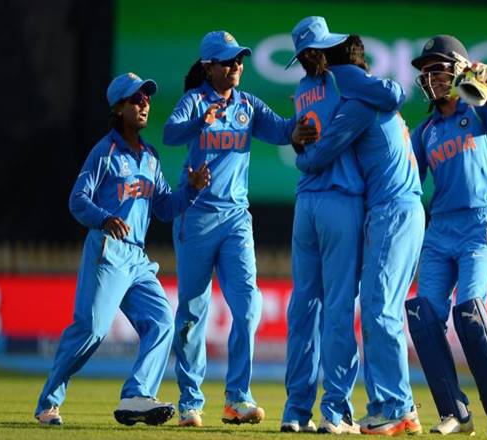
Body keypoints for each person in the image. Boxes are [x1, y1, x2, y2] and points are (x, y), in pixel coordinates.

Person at [34, 72, 210, 426]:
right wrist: (104, 219)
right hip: (108, 251)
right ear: (118, 107)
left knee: (162, 321)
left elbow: (164, 208)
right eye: (136, 99)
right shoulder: (105, 151)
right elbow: (77, 200)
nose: (144, 104)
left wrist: (191, 190)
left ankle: (136, 394)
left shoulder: (150, 156)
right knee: (92, 330)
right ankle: (48, 402)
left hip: (138, 259)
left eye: (147, 98)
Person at [163, 30, 311, 428]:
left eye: (239, 60)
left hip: (235, 220)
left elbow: (281, 131)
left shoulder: (248, 104)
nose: (236, 66)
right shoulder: (194, 101)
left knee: (247, 308)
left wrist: (304, 116)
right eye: (228, 61)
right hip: (195, 217)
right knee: (193, 312)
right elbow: (170, 133)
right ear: (209, 67)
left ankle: (237, 398)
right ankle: (190, 402)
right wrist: (201, 120)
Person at [294, 34, 425, 436]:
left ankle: (395, 407)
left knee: (378, 307)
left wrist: (300, 150)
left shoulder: (358, 105)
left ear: (340, 70)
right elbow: (394, 92)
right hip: (400, 209)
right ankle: (399, 406)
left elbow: (320, 155)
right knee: (380, 307)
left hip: (391, 211)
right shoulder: (378, 97)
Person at [405, 35, 487, 436]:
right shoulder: (426, 132)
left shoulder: (478, 110)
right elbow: (406, 181)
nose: (431, 78)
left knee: (470, 311)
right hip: (439, 231)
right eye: (426, 72)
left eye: (437, 70)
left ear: (458, 70)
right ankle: (455, 412)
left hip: (477, 226)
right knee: (423, 316)